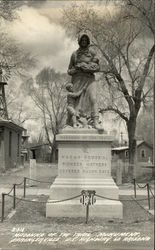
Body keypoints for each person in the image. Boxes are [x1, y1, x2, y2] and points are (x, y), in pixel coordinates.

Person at [67, 31, 103, 130]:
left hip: (89, 78)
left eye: (85, 40)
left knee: (93, 98)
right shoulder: (74, 54)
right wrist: (77, 68)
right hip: (77, 80)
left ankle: (95, 121)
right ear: (79, 41)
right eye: (82, 39)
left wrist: (87, 67)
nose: (83, 41)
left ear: (88, 41)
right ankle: (76, 122)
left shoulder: (92, 52)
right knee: (77, 103)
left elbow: (98, 67)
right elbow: (69, 70)